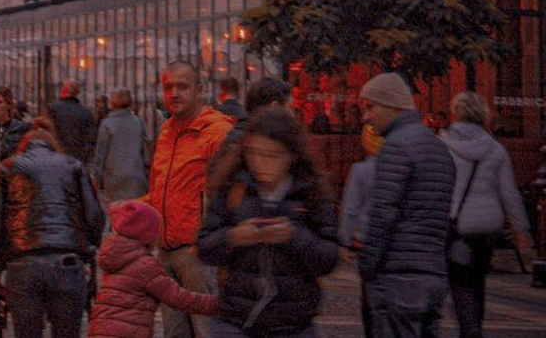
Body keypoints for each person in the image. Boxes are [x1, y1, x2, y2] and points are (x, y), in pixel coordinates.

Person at [195, 106, 338, 336]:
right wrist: (234, 238)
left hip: (294, 324)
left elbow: (328, 259)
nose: (260, 163)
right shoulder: (233, 187)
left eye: (271, 155)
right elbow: (204, 248)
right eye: (253, 153)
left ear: (291, 155)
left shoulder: (311, 193)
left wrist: (294, 237)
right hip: (237, 321)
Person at [357, 71, 456, 338]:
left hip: (398, 276)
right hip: (433, 275)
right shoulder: (439, 149)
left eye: (370, 107)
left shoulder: (395, 147)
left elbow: (384, 213)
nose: (366, 117)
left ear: (392, 106)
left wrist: (367, 265)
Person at [0, 117, 104, 338]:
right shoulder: (73, 166)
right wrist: (90, 246)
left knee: (27, 332)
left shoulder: (6, 168)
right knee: (67, 332)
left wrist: (0, 255)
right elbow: (94, 215)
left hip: (22, 262)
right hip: (67, 259)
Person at [146, 60, 234, 338]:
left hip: (199, 255)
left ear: (199, 90)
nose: (174, 93)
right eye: (168, 87)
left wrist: (210, 241)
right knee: (175, 333)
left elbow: (231, 195)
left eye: (182, 87)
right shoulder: (166, 131)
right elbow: (162, 188)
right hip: (167, 251)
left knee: (208, 331)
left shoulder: (217, 132)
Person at [441, 90, 533, 338]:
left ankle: (470, 329)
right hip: (487, 228)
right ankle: (475, 326)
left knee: (460, 285)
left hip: (458, 225)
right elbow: (509, 194)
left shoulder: (444, 145)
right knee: (478, 280)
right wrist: (520, 231)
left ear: (456, 114)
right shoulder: (495, 148)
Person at [87, 199, 219, 338]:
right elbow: (179, 299)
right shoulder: (145, 266)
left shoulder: (116, 257)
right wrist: (221, 304)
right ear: (146, 234)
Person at [340, 124, 384, 338]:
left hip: (366, 239)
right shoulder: (399, 166)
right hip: (392, 240)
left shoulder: (361, 169)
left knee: (369, 295)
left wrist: (344, 241)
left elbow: (350, 208)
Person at [92, 88, 150, 205]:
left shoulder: (107, 124)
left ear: (112, 103)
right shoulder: (138, 122)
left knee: (117, 214)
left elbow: (100, 154)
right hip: (136, 176)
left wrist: (97, 178)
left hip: (114, 178)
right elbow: (145, 152)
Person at [48, 78, 95, 163]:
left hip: (56, 156)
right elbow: (90, 138)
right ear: (77, 93)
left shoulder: (53, 109)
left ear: (64, 90)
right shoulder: (86, 112)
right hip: (78, 158)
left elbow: (48, 133)